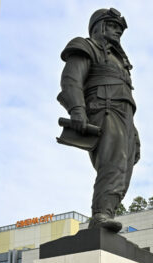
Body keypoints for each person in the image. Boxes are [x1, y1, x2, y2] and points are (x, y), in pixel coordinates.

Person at [58, 8, 141, 232]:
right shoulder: (86, 46)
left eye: (120, 29)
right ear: (99, 26)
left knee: (125, 167)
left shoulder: (120, 62)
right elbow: (71, 80)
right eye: (113, 26)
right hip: (103, 110)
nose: (117, 32)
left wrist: (134, 131)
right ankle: (101, 214)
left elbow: (127, 101)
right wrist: (77, 109)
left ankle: (109, 211)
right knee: (113, 162)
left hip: (125, 117)